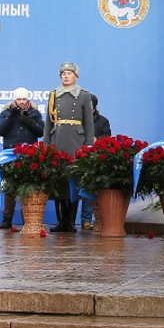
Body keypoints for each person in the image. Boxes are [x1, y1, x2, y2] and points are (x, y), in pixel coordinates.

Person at [44, 62, 98, 232]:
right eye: (63, 73)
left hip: (76, 141)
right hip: (58, 139)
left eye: (69, 73)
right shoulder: (54, 95)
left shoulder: (84, 95)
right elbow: (48, 122)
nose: (66, 76)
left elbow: (89, 123)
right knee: (59, 181)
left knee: (74, 182)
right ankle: (61, 221)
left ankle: (71, 220)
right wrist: (46, 143)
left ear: (76, 76)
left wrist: (88, 144)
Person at [0, 88, 44, 230]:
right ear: (15, 100)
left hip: (28, 155)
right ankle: (7, 219)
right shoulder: (6, 113)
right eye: (19, 99)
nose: (21, 102)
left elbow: (41, 131)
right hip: (10, 154)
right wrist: (11, 118)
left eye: (24, 99)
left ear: (28, 100)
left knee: (27, 187)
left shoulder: (34, 113)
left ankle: (27, 219)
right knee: (9, 187)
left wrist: (27, 120)